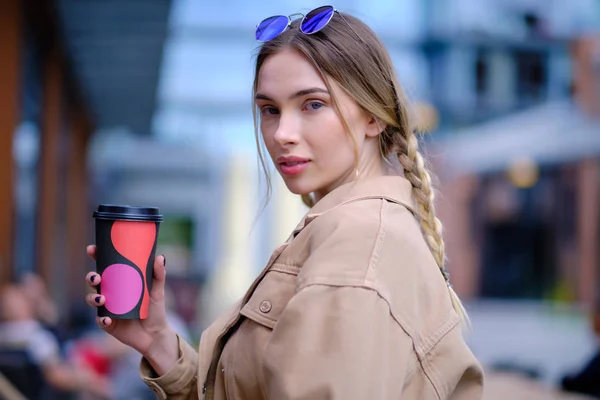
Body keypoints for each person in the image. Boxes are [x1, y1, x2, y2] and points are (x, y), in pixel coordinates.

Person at [83, 6, 484, 399]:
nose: (282, 134)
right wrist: (157, 342)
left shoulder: (357, 245)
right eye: (270, 110)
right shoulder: (347, 228)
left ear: (374, 117)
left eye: (313, 104)